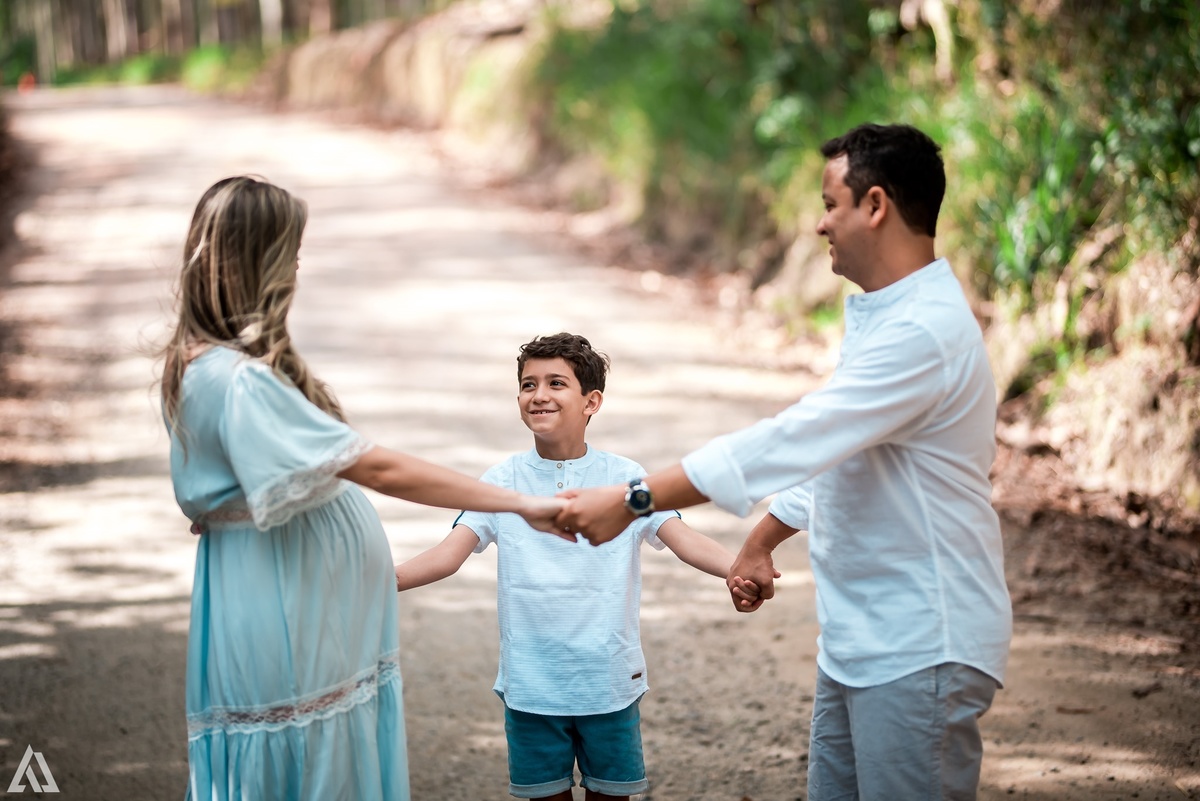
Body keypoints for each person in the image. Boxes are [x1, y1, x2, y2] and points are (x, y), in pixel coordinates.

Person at [556, 124, 1013, 800]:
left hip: (921, 642)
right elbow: (841, 453)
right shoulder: (890, 317)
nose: (819, 222)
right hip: (862, 638)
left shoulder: (922, 332)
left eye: (831, 203)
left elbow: (795, 437)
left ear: (876, 205)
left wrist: (632, 498)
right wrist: (762, 539)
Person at [159, 175, 565, 801]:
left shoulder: (203, 365)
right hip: (287, 604)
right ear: (257, 261)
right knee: (303, 757)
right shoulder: (237, 380)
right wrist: (521, 500)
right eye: (288, 249)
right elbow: (378, 468)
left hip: (288, 590)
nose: (297, 264)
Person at [394, 332, 760, 801]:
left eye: (555, 383)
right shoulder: (503, 481)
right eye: (528, 384)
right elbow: (448, 555)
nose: (539, 395)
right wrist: (384, 581)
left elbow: (680, 536)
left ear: (592, 401)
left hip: (608, 680)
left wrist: (738, 569)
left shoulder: (624, 477)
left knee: (612, 794)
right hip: (531, 685)